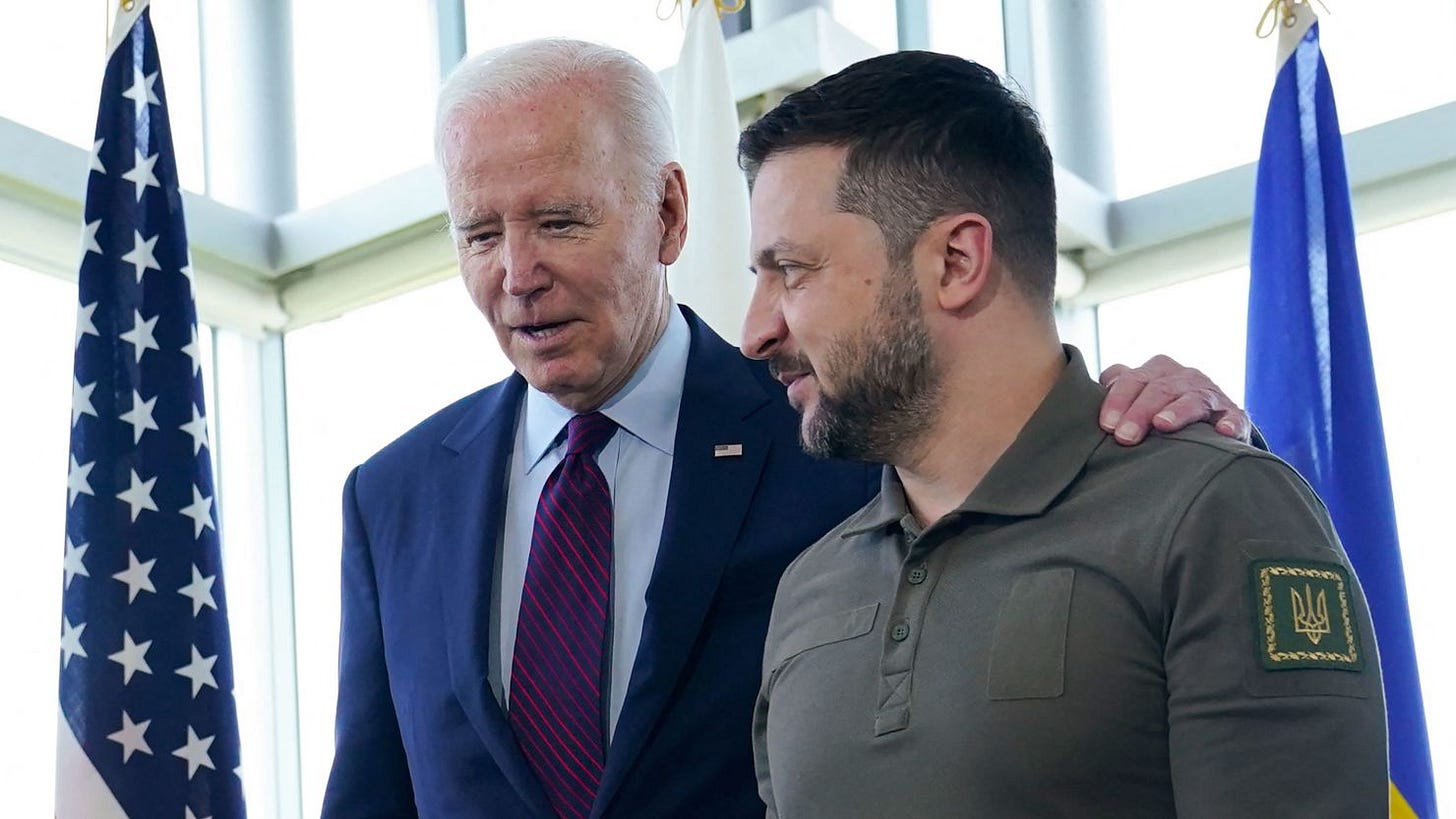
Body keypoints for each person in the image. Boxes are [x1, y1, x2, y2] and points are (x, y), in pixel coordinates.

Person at [322, 39, 1253, 819]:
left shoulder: (839, 424)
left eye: (560, 222)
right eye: (479, 235)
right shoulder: (392, 495)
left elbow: (1002, 412)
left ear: (670, 214)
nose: (517, 274)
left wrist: (1159, 412)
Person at [740, 50, 1388, 818]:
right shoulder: (809, 585)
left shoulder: (1212, 514)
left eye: (793, 270)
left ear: (956, 261)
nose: (755, 329)